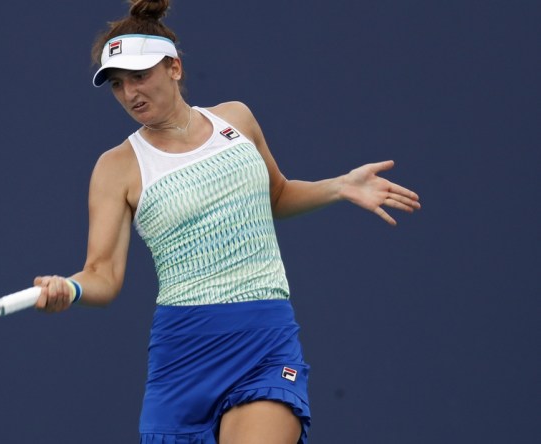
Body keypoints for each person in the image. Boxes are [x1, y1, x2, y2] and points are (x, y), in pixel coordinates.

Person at [32, 1, 421, 443]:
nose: (130, 93)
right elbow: (103, 273)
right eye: (118, 85)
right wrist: (73, 288)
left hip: (264, 341)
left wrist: (339, 186)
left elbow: (277, 195)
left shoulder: (236, 118)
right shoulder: (115, 167)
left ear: (174, 68)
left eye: (140, 77)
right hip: (184, 354)